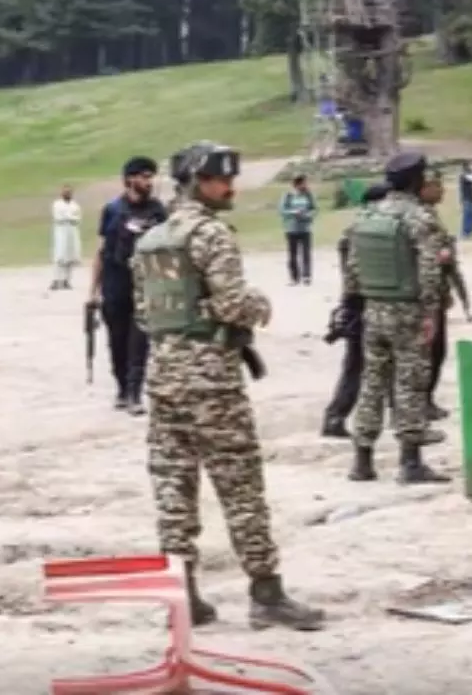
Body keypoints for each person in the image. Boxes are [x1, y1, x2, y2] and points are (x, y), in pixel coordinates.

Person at [132, 140, 324, 632]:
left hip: (164, 376)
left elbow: (144, 314)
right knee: (241, 486)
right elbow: (234, 303)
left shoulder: (151, 240)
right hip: (212, 380)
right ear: (198, 182)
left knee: (173, 486)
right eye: (221, 179)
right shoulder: (212, 234)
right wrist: (259, 305)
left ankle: (182, 597)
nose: (230, 186)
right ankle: (266, 594)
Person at [344, 151, 450, 485]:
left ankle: (362, 459)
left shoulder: (367, 215)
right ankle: (410, 461)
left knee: (372, 381)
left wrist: (356, 302)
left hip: (374, 307)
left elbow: (353, 267)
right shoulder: (420, 218)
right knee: (410, 381)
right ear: (417, 180)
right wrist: (431, 311)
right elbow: (430, 268)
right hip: (408, 310)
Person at [89, 156, 166, 414]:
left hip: (146, 285)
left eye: (151, 177)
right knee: (117, 341)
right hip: (115, 285)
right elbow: (101, 251)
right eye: (144, 177)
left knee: (140, 342)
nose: (149, 182)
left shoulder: (158, 211)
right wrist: (93, 291)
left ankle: (134, 393)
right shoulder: (112, 210)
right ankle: (122, 389)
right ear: (130, 179)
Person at [321, 183, 392, 438]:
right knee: (358, 365)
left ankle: (338, 416)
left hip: (359, 301)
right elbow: (354, 276)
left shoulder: (355, 229)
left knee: (364, 364)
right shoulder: (366, 231)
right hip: (364, 302)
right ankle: (336, 416)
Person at [419, 167, 471, 421]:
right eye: (437, 186)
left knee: (435, 351)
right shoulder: (421, 219)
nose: (442, 190)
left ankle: (424, 399)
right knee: (430, 351)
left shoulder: (431, 215)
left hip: (436, 293)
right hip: (426, 298)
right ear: (423, 188)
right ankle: (421, 401)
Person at [278, 174, 317, 286]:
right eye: (304, 183)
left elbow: (314, 209)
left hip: (305, 228)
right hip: (291, 229)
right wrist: (294, 213)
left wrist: (308, 215)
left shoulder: (308, 195)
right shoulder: (288, 195)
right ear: (298, 184)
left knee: (306, 253)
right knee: (292, 254)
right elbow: (282, 211)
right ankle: (294, 277)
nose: (306, 185)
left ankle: (306, 276)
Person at [50, 184, 83, 290]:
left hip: (72, 232)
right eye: (65, 192)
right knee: (59, 257)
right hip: (61, 232)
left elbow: (78, 219)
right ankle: (56, 279)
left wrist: (68, 217)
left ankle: (66, 280)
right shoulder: (57, 204)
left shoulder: (75, 205)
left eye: (69, 192)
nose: (67, 194)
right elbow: (58, 217)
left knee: (70, 258)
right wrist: (69, 217)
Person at [458, 160, 472, 239]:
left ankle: (470, 232)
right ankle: (465, 233)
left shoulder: (468, 174)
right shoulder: (463, 176)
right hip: (466, 198)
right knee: (467, 216)